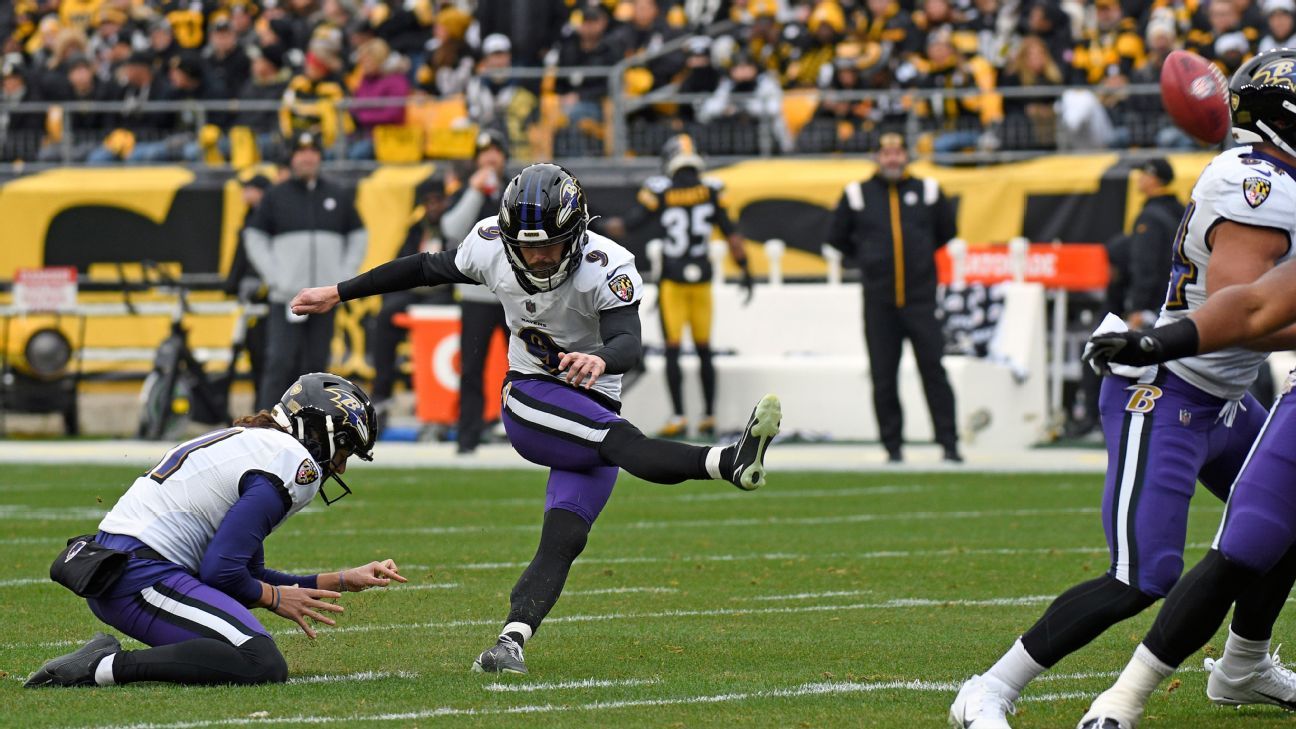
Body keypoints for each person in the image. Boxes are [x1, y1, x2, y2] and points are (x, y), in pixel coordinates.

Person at [290, 163, 782, 675]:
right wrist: (340, 292)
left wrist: (602, 359)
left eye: (551, 244)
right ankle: (728, 461)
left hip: (592, 409)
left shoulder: (605, 263)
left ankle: (508, 643)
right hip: (529, 396)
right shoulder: (488, 247)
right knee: (620, 443)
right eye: (529, 246)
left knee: (565, 537)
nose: (540, 255)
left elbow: (629, 341)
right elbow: (423, 268)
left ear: (577, 234)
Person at [958, 49, 1296, 729]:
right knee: (1142, 574)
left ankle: (1245, 663)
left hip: (1224, 399)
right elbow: (1238, 311)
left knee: (1285, 524)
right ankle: (990, 686)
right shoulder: (1260, 182)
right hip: (1169, 390)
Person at [1075, 50, 1296, 729]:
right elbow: (1254, 307)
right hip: (1190, 388)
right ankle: (1117, 696)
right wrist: (1157, 342)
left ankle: (1241, 665)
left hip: (1218, 385)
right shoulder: (1259, 181)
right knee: (1245, 541)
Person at [24, 373, 407, 688]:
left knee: (247, 655)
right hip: (141, 579)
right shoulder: (295, 462)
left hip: (126, 569)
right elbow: (221, 571)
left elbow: (242, 574)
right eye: (342, 451)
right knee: (260, 662)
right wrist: (274, 597)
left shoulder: (255, 443)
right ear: (319, 431)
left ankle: (101, 660)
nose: (339, 467)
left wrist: (339, 579)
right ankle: (102, 667)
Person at [605, 134, 754, 439]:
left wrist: (598, 225)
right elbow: (731, 233)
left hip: (673, 280)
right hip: (701, 280)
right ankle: (709, 416)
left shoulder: (660, 190)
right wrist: (745, 268)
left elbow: (630, 223)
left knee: (673, 349)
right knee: (704, 349)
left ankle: (679, 416)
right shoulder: (711, 190)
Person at [826, 132, 961, 464]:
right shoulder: (857, 194)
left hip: (920, 299)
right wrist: (869, 260)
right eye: (886, 152)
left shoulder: (927, 191)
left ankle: (949, 443)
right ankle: (893, 446)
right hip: (879, 301)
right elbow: (836, 238)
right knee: (883, 375)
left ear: (906, 156)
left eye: (897, 151)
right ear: (875, 157)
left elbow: (946, 231)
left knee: (933, 369)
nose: (892, 158)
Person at [244, 132, 368, 411]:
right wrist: (277, 278)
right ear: (292, 158)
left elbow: (359, 235)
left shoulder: (337, 194)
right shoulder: (276, 196)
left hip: (323, 298)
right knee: (279, 363)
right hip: (286, 297)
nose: (307, 157)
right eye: (301, 152)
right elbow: (254, 236)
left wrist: (342, 277)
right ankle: (266, 426)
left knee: (316, 368)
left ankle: (313, 430)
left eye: (313, 151)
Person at [440, 129, 511, 455]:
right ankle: (467, 438)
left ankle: (536, 432)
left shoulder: (518, 188)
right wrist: (472, 192)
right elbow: (451, 231)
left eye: (495, 152)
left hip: (516, 297)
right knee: (472, 369)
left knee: (530, 368)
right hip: (477, 297)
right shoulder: (466, 192)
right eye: (484, 153)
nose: (490, 158)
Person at [369, 173, 454, 416]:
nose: (433, 207)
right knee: (386, 315)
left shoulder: (454, 228)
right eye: (428, 202)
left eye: (438, 201)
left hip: (445, 294)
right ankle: (382, 391)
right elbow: (399, 265)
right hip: (416, 294)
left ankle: (434, 396)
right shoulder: (416, 230)